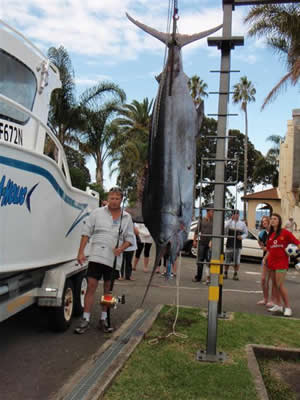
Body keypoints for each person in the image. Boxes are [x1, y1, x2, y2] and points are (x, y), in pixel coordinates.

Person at [74, 187, 134, 334]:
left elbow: (130, 239)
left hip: (113, 260)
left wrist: (121, 248)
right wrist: (81, 252)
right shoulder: (97, 213)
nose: (114, 201)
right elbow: (86, 232)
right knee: (91, 287)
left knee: (108, 291)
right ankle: (85, 319)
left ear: (121, 200)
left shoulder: (126, 218)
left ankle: (103, 319)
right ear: (108, 198)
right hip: (96, 256)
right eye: (112, 198)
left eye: (117, 198)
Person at [263, 213, 300, 317]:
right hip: (271, 263)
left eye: (275, 219)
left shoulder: (285, 233)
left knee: (280, 285)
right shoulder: (270, 235)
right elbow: (269, 250)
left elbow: (297, 242)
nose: (273, 220)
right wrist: (265, 259)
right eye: (271, 219)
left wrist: (297, 253)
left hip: (281, 263)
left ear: (279, 221)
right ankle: (278, 305)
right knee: (274, 286)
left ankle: (288, 307)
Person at [256, 216, 276, 307]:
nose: (264, 223)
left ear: (269, 222)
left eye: (265, 221)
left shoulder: (274, 232)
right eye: (262, 221)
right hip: (265, 258)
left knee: (273, 280)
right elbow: (259, 241)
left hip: (274, 258)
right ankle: (265, 299)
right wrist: (262, 247)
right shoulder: (262, 233)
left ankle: (272, 300)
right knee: (264, 279)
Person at [192, 205, 214, 284]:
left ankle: (208, 278)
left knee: (209, 261)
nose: (213, 213)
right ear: (208, 212)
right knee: (200, 260)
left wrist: (212, 240)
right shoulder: (202, 220)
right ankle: (198, 277)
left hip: (210, 244)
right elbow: (196, 231)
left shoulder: (215, 221)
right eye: (212, 211)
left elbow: (216, 233)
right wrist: (194, 241)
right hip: (202, 242)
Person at [224, 210, 248, 281]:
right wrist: (231, 219)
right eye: (234, 214)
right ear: (232, 215)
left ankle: (235, 274)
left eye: (237, 214)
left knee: (237, 261)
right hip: (229, 243)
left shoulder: (242, 224)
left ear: (239, 215)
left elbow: (246, 233)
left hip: (238, 244)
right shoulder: (229, 222)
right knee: (227, 260)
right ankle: (225, 273)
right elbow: (225, 227)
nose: (236, 216)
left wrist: (242, 237)